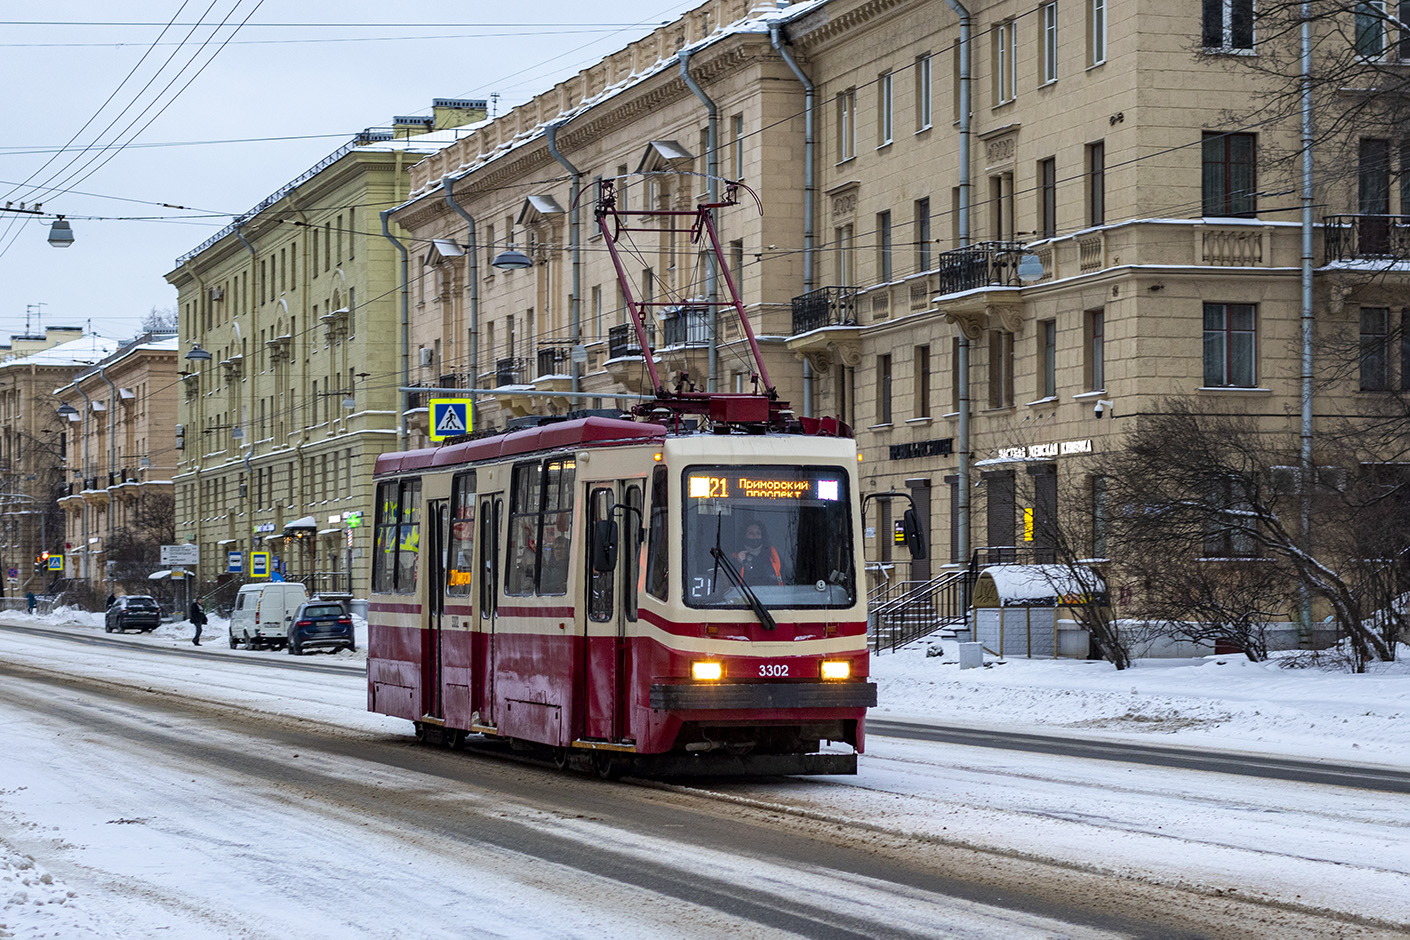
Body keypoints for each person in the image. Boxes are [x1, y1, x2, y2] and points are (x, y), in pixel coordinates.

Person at [732, 521, 785, 586]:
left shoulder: (773, 554)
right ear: (744, 536)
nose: (755, 536)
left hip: (771, 594)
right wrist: (739, 564)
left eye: (758, 533)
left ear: (762, 536)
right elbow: (729, 584)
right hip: (744, 595)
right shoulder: (735, 557)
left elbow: (786, 577)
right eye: (751, 533)